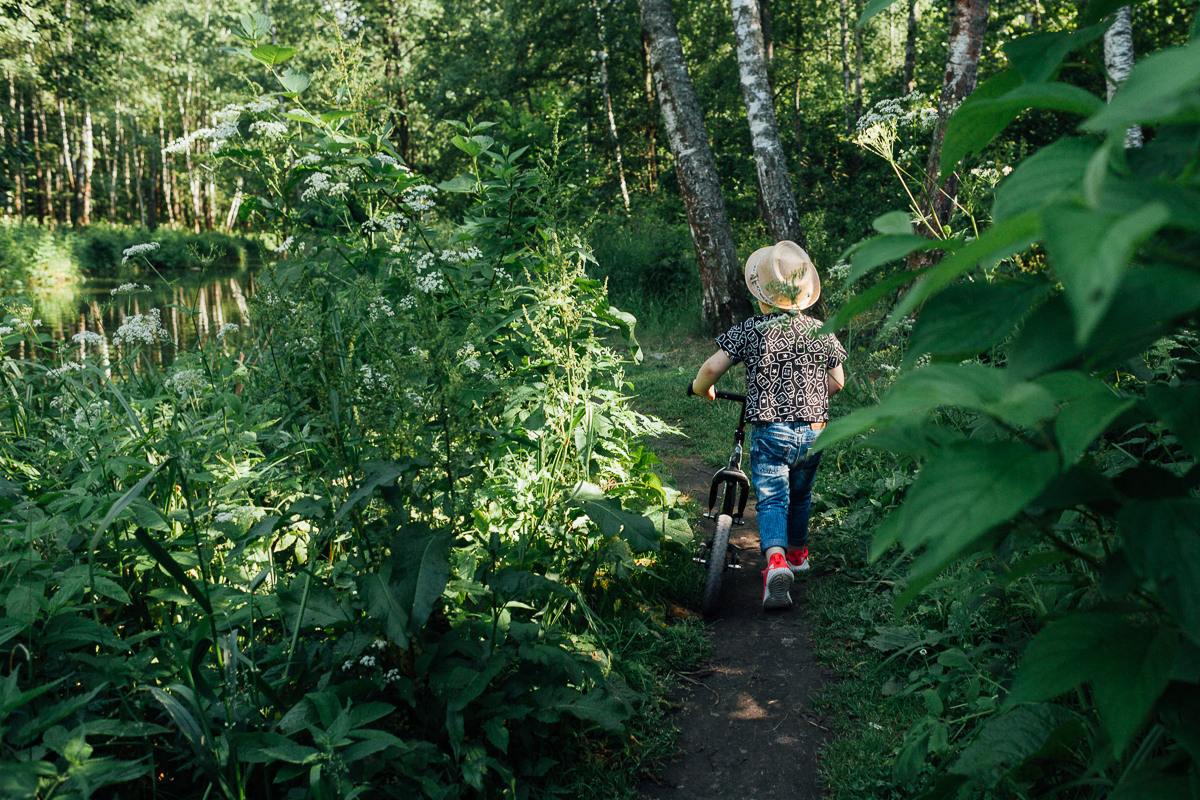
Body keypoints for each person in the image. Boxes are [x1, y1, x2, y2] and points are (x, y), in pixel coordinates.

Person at [690, 241, 847, 609]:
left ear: (761, 295)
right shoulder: (820, 330)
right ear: (804, 296)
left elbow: (712, 368)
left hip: (771, 427)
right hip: (814, 430)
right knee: (801, 494)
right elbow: (838, 381)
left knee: (774, 497)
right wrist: (808, 394)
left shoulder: (752, 329)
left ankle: (775, 561)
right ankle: (797, 553)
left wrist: (703, 389)